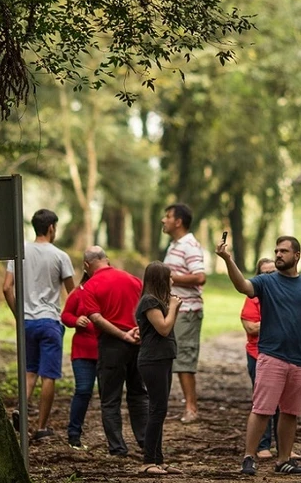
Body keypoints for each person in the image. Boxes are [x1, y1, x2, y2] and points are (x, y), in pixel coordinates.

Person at [218, 236, 301, 476]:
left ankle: (283, 460)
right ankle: (249, 457)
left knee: (290, 412)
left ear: (297, 255)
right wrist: (227, 259)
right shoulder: (267, 282)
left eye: (284, 251)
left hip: (300, 359)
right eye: (276, 251)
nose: (278, 254)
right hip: (272, 356)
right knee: (262, 409)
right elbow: (243, 286)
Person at [3, 209, 75, 441]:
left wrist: (19, 315)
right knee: (48, 375)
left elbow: (6, 287)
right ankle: (42, 427)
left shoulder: (18, 252)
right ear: (51, 228)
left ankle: (20, 409)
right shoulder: (60, 256)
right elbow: (73, 294)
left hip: (27, 322)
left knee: (30, 371)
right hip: (49, 321)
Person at [78, 246, 149, 457]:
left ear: (86, 265)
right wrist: (137, 331)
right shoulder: (133, 279)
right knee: (139, 394)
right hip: (137, 341)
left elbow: (96, 318)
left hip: (111, 345)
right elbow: (147, 307)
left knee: (110, 399)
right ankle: (146, 441)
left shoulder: (90, 286)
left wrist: (122, 335)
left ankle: (118, 448)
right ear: (107, 260)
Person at [134, 262, 185, 475]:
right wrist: (173, 307)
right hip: (152, 360)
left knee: (160, 410)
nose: (172, 280)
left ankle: (158, 460)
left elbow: (164, 328)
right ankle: (147, 461)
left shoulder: (157, 302)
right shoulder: (149, 301)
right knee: (157, 409)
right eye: (169, 277)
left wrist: (172, 308)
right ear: (161, 279)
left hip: (163, 358)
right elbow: (163, 328)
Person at [161, 203, 207, 423]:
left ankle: (191, 409)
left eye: (168, 216)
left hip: (187, 310)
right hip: (174, 309)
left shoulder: (189, 245)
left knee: (184, 359)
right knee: (172, 357)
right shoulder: (174, 245)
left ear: (178, 222)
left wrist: (168, 278)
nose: (164, 220)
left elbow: (200, 277)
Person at [240, 257, 282, 459]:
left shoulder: (286, 294)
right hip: (258, 354)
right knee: (263, 402)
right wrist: (277, 321)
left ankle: (284, 446)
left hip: (283, 354)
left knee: (284, 403)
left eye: (273, 272)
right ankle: (262, 445)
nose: (270, 276)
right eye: (265, 273)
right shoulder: (253, 298)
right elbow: (250, 327)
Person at [61, 255, 100, 450]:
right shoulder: (79, 292)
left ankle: (114, 439)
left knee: (110, 395)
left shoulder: (108, 291)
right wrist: (76, 320)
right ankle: (74, 434)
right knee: (83, 390)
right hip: (83, 351)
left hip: (106, 351)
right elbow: (65, 315)